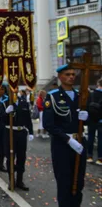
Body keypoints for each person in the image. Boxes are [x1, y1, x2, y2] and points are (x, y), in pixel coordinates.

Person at [43, 64, 88, 207]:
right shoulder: (53, 96)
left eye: (73, 74)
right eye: (67, 74)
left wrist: (88, 116)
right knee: (64, 183)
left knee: (78, 182)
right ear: (60, 77)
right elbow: (48, 124)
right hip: (62, 145)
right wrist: (68, 139)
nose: (71, 77)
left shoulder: (81, 96)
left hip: (79, 143)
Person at [3, 90, 34, 191]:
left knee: (21, 157)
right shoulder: (5, 101)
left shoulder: (23, 102)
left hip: (21, 133)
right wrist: (5, 112)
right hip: (10, 133)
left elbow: (28, 118)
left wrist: (31, 131)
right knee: (10, 157)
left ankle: (19, 180)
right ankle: (11, 179)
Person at [87, 78, 102, 165]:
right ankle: (100, 158)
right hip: (101, 120)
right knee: (101, 139)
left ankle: (89, 156)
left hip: (91, 119)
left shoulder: (92, 94)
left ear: (97, 84)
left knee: (91, 137)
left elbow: (88, 106)